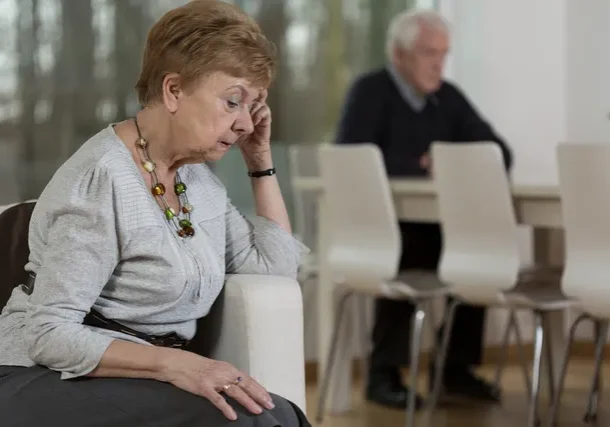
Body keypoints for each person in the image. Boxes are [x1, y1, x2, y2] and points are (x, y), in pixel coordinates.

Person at [0, 2, 311, 426]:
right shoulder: (101, 180)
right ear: (173, 91)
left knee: (281, 414)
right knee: (248, 421)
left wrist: (260, 162)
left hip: (136, 375)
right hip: (41, 375)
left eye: (252, 106)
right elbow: (49, 334)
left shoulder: (198, 180)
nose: (244, 124)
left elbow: (275, 268)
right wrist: (178, 365)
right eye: (233, 101)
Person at [335, 9, 513, 409]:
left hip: (440, 225)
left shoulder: (446, 97)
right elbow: (350, 156)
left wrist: (448, 161)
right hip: (381, 227)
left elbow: (499, 152)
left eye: (444, 54)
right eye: (429, 53)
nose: (439, 63)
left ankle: (454, 369)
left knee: (478, 246)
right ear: (399, 54)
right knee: (412, 245)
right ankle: (384, 372)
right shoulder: (370, 91)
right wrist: (422, 162)